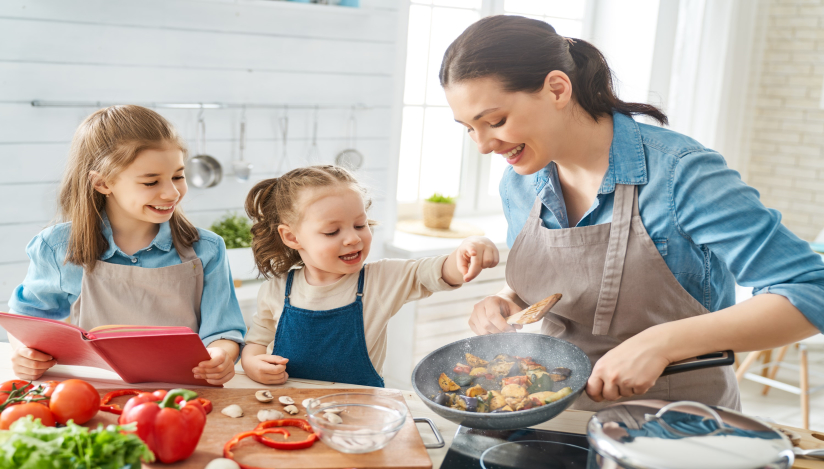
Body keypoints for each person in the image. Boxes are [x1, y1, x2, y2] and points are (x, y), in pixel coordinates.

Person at [440, 15, 824, 410]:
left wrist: (663, 343)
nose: (484, 145)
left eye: (495, 121)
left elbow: (810, 289)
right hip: (551, 412)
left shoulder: (680, 172)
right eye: (469, 128)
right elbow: (562, 283)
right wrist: (509, 301)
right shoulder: (519, 183)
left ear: (557, 88)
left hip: (675, 424)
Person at [7, 105, 246, 385]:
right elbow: (28, 319)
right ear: (102, 183)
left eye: (178, 176)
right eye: (151, 181)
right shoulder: (58, 246)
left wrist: (220, 356)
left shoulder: (207, 249)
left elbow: (223, 331)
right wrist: (24, 353)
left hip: (183, 391)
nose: (171, 192)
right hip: (92, 390)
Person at [241, 165, 499, 387]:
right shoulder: (275, 290)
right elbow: (256, 341)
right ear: (292, 237)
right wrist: (252, 363)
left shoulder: (382, 279)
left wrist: (469, 248)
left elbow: (437, 271)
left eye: (360, 225)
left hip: (359, 412)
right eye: (332, 232)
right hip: (290, 408)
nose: (353, 238)